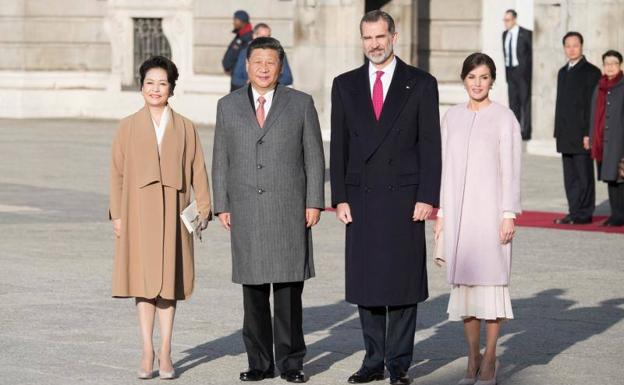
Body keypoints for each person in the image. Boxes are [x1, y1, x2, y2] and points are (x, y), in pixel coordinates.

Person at [330, 10, 441, 385]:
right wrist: (339, 197)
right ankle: (373, 359)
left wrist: (428, 195)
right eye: (367, 38)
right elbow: (340, 146)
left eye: (380, 37)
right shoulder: (344, 85)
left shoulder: (421, 83)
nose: (374, 45)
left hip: (405, 197)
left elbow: (430, 144)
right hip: (361, 197)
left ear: (394, 36)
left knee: (403, 283)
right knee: (368, 282)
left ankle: (399, 363)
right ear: (361, 40)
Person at [212, 37, 325, 383]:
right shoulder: (228, 106)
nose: (263, 68)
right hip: (245, 208)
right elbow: (220, 159)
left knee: (289, 294)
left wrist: (314, 201)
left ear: (280, 67)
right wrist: (222, 204)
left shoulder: (300, 104)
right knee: (254, 292)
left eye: (270, 62)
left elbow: (315, 158)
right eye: (257, 61)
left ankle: (292, 363)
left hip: (289, 209)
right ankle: (259, 362)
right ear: (246, 66)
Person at [109, 56, 212, 380]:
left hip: (174, 210)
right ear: (141, 87)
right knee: (142, 283)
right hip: (137, 211)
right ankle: (146, 350)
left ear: (171, 88)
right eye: (150, 83)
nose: (156, 89)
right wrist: (117, 215)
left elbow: (198, 169)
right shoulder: (126, 126)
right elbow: (117, 173)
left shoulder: (184, 126)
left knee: (169, 284)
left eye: (162, 83)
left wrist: (203, 209)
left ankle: (166, 349)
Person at [435, 52, 522, 385]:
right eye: (472, 77)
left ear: (492, 80)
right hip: (458, 213)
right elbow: (443, 168)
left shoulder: (505, 119)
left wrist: (508, 213)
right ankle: (472, 359)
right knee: (467, 288)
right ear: (464, 80)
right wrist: (441, 213)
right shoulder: (452, 117)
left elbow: (511, 170)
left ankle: (490, 359)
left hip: (491, 214)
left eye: (484, 77)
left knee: (491, 286)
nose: (477, 83)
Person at [554, 31, 601, 225]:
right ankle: (573, 211)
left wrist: (588, 133)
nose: (571, 49)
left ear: (581, 46)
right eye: (568, 46)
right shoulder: (562, 72)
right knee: (570, 177)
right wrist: (557, 131)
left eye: (575, 45)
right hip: (565, 133)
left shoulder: (592, 72)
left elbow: (592, 106)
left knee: (584, 176)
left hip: (582, 134)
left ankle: (584, 213)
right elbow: (560, 104)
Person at [589, 50, 624, 226]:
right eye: (607, 64)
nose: (610, 67)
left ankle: (620, 215)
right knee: (611, 178)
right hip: (603, 141)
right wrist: (592, 137)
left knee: (620, 179)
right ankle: (616, 214)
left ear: (620, 65)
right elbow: (594, 115)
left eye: (614, 63)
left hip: (619, 141)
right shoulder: (600, 86)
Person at [231, 23, 294, 90]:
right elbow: (235, 79)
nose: (266, 39)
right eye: (263, 37)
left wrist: (270, 83)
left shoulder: (279, 53)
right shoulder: (244, 53)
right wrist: (250, 82)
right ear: (254, 36)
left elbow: (288, 78)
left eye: (268, 36)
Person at [502, 9, 532, 140]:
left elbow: (531, 54)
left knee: (525, 101)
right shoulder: (504, 34)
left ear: (514, 19)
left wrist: (527, 70)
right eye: (504, 20)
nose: (506, 23)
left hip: (523, 72)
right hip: (510, 72)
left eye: (508, 20)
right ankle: (515, 129)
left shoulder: (525, 34)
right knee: (513, 102)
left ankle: (525, 131)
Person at [223, 10, 254, 91]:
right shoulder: (240, 35)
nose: (233, 22)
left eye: (235, 19)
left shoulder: (248, 38)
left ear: (242, 21)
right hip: (235, 79)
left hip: (241, 82)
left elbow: (245, 58)